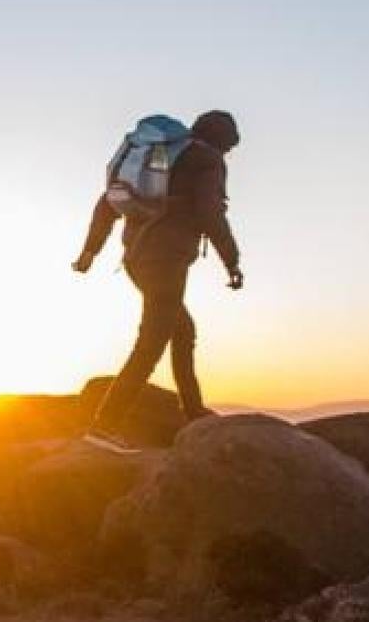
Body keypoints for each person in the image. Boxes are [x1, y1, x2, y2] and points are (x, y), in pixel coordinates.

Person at [73, 110, 243, 453]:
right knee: (152, 341)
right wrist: (232, 260)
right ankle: (105, 425)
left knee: (182, 330)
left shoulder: (162, 155)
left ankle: (193, 412)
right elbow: (210, 212)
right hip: (167, 260)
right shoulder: (206, 159)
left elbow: (107, 202)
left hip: (137, 259)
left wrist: (90, 251)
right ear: (222, 143)